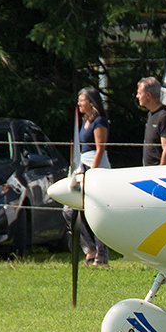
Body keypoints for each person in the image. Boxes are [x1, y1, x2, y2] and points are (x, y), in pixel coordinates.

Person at [68, 86, 111, 267]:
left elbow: (100, 149)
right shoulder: (85, 121)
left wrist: (92, 173)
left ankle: (101, 256)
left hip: (95, 169)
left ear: (91, 102)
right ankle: (89, 249)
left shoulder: (99, 121)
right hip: (82, 168)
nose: (79, 103)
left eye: (82, 100)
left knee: (97, 211)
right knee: (70, 210)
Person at [136, 77, 166, 166]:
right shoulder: (150, 114)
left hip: (159, 171)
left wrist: (161, 171)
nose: (137, 96)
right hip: (149, 170)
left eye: (139, 93)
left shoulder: (165, 116)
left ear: (148, 95)